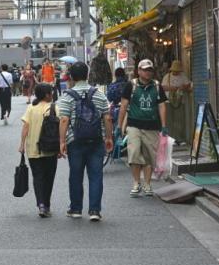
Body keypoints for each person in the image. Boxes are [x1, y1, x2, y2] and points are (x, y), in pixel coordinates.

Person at [58, 61, 113, 222]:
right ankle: (95, 210)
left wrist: (62, 141)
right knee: (96, 175)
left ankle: (75, 209)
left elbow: (63, 120)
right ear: (87, 75)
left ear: (72, 77)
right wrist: (108, 138)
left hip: (75, 141)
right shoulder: (98, 94)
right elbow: (108, 117)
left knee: (75, 175)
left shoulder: (67, 96)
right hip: (96, 140)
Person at [118, 59, 168, 198]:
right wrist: (119, 126)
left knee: (149, 157)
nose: (147, 72)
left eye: (150, 70)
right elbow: (123, 106)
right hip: (134, 125)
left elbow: (162, 105)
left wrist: (164, 125)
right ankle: (136, 182)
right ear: (138, 71)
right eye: (145, 69)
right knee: (134, 153)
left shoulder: (157, 86)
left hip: (152, 126)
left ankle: (147, 183)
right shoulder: (131, 85)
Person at [19, 83, 60, 217]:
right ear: (47, 95)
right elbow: (60, 128)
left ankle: (41, 204)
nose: (53, 94)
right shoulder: (54, 108)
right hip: (50, 149)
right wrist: (61, 146)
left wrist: (21, 144)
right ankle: (46, 205)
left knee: (38, 177)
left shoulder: (31, 108)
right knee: (49, 177)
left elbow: (25, 127)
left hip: (33, 149)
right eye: (51, 92)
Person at [162, 60, 192, 143]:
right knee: (170, 121)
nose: (176, 72)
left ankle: (180, 139)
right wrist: (173, 88)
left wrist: (183, 87)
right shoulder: (167, 77)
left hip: (179, 102)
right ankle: (171, 139)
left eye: (178, 70)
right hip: (168, 102)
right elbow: (163, 87)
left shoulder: (183, 76)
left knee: (179, 120)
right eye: (175, 70)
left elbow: (188, 85)